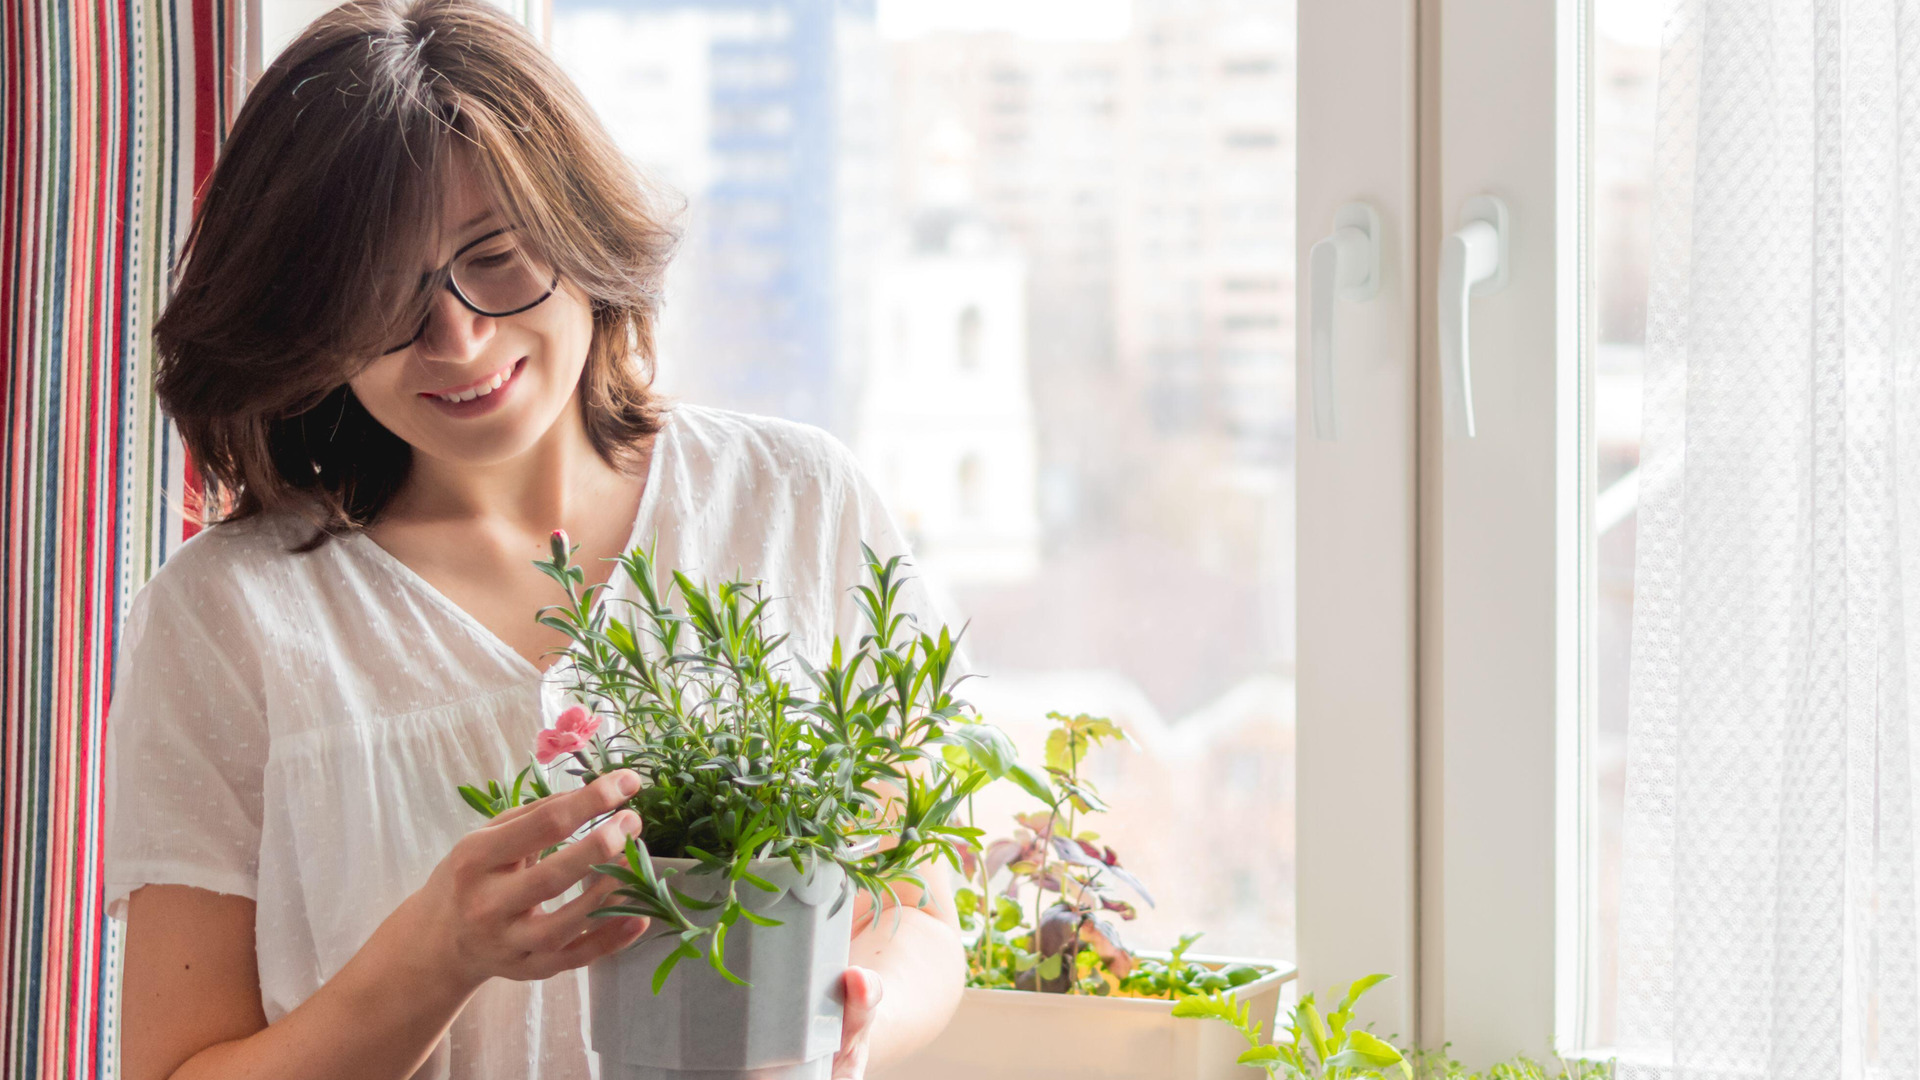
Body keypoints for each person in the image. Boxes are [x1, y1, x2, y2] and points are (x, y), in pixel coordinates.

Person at [102, 1, 965, 1077]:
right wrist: (440, 950)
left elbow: (921, 913)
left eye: (495, 257)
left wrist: (834, 1021)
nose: (457, 338)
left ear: (579, 227)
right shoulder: (227, 618)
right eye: (382, 295)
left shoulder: (796, 501)